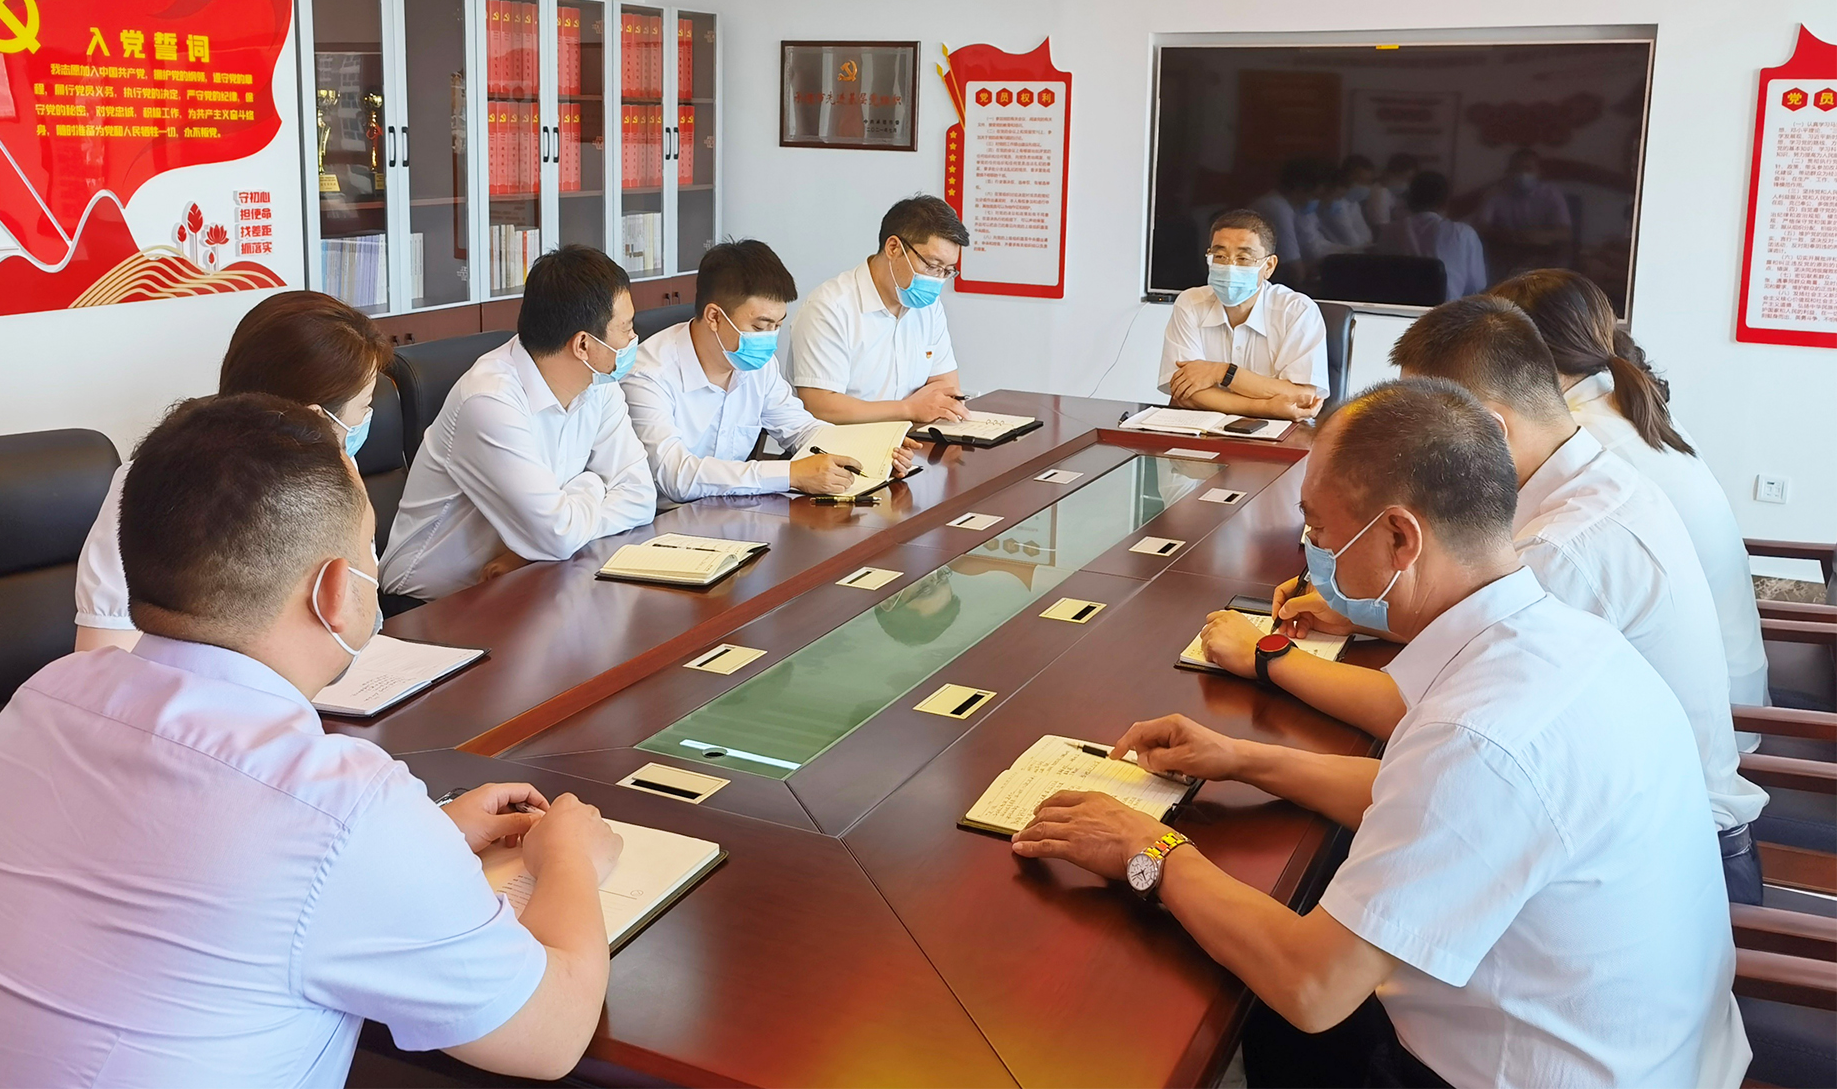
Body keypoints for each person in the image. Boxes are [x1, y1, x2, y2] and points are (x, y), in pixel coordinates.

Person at [0, 394, 622, 1085]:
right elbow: (550, 1036)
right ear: (335, 591)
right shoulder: (345, 806)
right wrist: (569, 862)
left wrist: (430, 837)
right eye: (367, 550)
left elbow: (178, 876)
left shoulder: (47, 697)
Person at [1011, 379, 1748, 1089]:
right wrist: (1239, 758)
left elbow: (1313, 985)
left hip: (1529, 1069)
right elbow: (1427, 799)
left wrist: (1147, 850)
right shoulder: (1561, 638)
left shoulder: (1483, 733)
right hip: (1660, 1052)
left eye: (1319, 530)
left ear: (1400, 537)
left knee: (1263, 1010)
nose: (1312, 551)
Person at [1231, 296, 1765, 900]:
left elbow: (1414, 711)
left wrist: (1266, 658)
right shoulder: (1590, 479)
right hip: (1639, 827)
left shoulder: (1563, 549)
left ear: (1486, 427)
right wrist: (1362, 611)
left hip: (1672, 866)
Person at [1493, 269, 1768, 721]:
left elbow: (1512, 582)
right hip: (1729, 679)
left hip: (1701, 713)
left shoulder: (1575, 436)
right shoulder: (1629, 403)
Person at [75, 290, 394, 651]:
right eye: (364, 406)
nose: (365, 419)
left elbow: (361, 615)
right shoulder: (156, 489)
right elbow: (104, 653)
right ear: (316, 418)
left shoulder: (334, 472)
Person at [381, 245, 654, 598]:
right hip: (431, 602)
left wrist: (532, 550)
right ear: (583, 345)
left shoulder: (599, 383)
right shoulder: (490, 401)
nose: (633, 339)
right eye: (626, 328)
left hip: (528, 575)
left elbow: (640, 496)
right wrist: (593, 483)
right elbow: (558, 535)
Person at [623, 238, 869, 502]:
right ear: (714, 317)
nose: (770, 339)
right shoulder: (648, 376)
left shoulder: (757, 366)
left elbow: (801, 428)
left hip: (733, 507)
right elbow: (676, 475)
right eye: (760, 327)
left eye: (777, 326)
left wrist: (872, 454)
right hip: (664, 516)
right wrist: (791, 474)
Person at [791, 195, 970, 427]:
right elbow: (821, 406)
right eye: (932, 266)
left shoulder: (929, 307)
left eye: (947, 271)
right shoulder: (829, 308)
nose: (937, 280)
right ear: (893, 248)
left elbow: (947, 388)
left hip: (909, 440)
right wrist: (909, 409)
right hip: (841, 443)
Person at [1158, 209, 1327, 421]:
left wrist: (1222, 372)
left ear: (1269, 266)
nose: (1230, 266)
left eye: (1243, 258)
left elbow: (1302, 397)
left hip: (1279, 434)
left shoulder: (1297, 311)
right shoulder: (1190, 303)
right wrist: (1267, 408)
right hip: (1202, 430)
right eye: (1220, 256)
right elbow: (1185, 393)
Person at [1380, 170, 1487, 299]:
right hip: (1448, 309)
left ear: (1409, 199)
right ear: (1445, 201)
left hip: (1397, 309)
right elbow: (1476, 286)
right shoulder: (1464, 234)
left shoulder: (1389, 231)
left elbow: (1381, 278)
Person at [1476, 148, 1572, 274]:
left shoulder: (1552, 194)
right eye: (1516, 169)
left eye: (1528, 169)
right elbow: (1480, 227)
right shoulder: (1495, 193)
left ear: (1539, 172)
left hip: (1543, 255)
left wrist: (1535, 236)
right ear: (1508, 172)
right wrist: (1506, 234)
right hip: (1506, 253)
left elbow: (1565, 232)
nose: (1522, 174)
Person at [1248, 158, 1314, 289]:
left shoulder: (1292, 208)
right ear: (1301, 188)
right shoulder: (1277, 208)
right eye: (1316, 195)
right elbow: (1294, 268)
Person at [1363, 151, 1419, 231]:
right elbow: (1380, 227)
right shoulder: (1380, 193)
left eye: (1409, 179)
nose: (1406, 183)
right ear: (1392, 174)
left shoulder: (1391, 191)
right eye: (1404, 179)